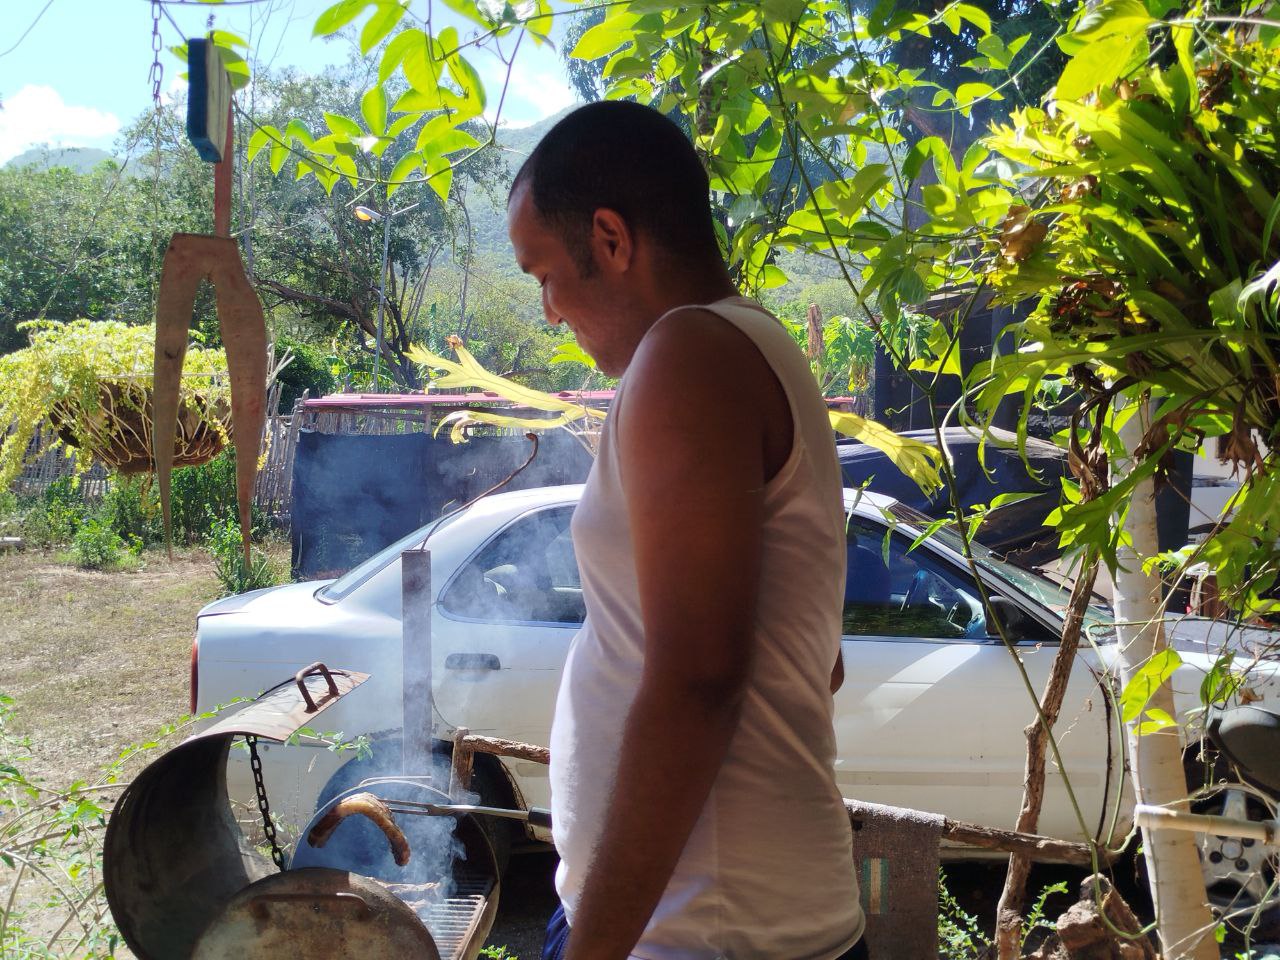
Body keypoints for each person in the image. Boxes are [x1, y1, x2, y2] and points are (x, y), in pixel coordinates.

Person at [507, 100, 867, 960]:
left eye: (542, 275)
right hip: (699, 918)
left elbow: (699, 681)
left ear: (609, 239)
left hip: (707, 934)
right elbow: (822, 661)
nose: (549, 311)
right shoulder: (756, 348)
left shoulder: (689, 357)